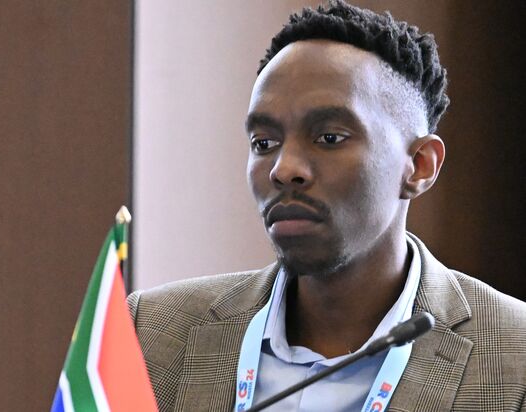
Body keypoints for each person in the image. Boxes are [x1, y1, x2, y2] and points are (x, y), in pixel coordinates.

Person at [128, 1, 526, 411]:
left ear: (420, 165)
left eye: (329, 138)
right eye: (264, 143)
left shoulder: (515, 359)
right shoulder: (151, 333)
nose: (284, 169)